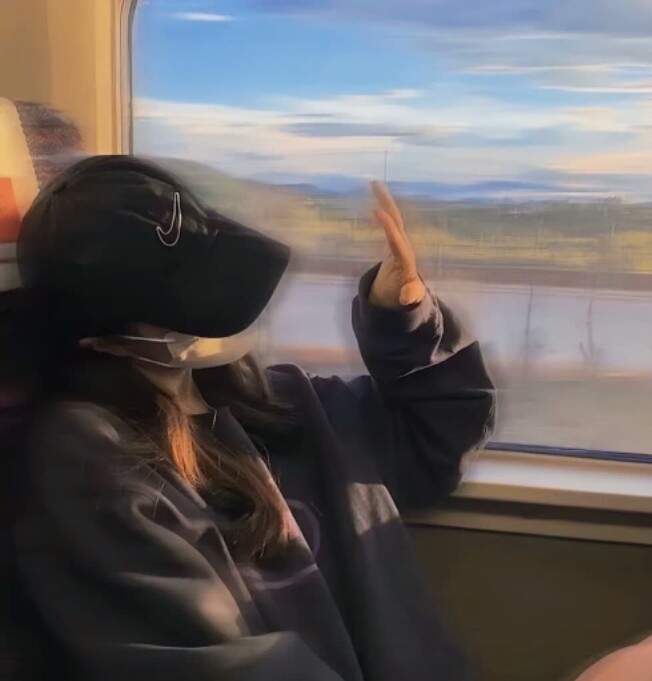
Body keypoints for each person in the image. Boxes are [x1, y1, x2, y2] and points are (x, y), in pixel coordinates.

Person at [13, 155, 496, 681]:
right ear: (102, 340)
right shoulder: (90, 463)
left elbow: (437, 447)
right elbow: (204, 663)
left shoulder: (283, 402)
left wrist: (404, 316)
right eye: (191, 299)